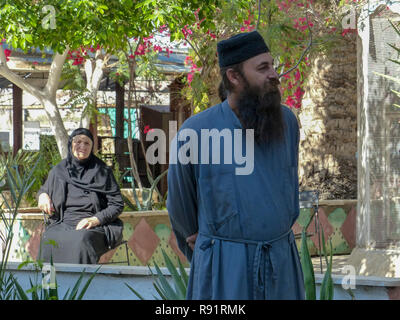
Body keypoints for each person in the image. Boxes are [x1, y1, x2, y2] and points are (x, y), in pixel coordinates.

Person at [167, 31, 304, 299]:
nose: (274, 74)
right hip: (224, 270)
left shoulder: (287, 122)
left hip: (281, 266)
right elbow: (181, 208)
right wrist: (210, 244)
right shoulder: (195, 131)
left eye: (272, 65)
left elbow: (288, 187)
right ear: (234, 76)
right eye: (263, 68)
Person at [37, 128, 124, 264]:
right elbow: (43, 190)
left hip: (93, 226)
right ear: (71, 144)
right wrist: (42, 196)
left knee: (81, 239)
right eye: (78, 142)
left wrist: (95, 220)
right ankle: (49, 284)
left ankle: (80, 284)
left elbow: (117, 204)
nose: (82, 146)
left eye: (87, 143)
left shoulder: (102, 171)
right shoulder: (59, 170)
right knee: (48, 238)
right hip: (63, 222)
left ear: (92, 147)